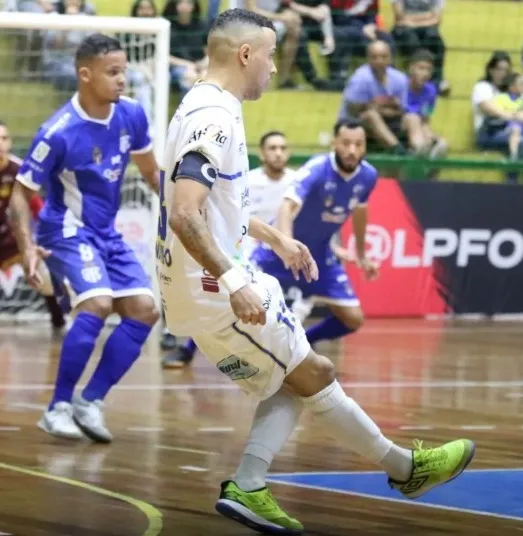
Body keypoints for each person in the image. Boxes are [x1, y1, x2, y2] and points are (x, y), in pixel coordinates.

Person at [157, 9, 475, 535]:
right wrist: (235, 282)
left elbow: (214, 204)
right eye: (271, 55)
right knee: (316, 375)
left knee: (292, 381)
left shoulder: (199, 103)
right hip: (216, 288)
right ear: (245, 55)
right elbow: (185, 212)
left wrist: (274, 237)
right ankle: (405, 469)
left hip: (197, 286)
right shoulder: (214, 115)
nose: (275, 68)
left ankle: (251, 485)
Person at [9, 34, 160, 442]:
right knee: (97, 303)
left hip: (106, 233)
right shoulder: (57, 131)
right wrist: (27, 250)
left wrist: (184, 207)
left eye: (125, 71)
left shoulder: (131, 114)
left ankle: (89, 401)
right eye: (113, 73)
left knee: (145, 309)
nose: (123, 80)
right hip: (65, 231)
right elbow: (21, 195)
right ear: (85, 74)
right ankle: (56, 407)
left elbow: (151, 174)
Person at [162, 129, 296, 368]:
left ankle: (288, 352)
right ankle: (186, 346)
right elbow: (232, 217)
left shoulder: (295, 182)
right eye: (272, 148)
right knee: (225, 293)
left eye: (282, 148)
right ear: (262, 154)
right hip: (246, 246)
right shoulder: (248, 180)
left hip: (280, 245)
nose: (278, 153)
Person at [252, 118, 379, 349]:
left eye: (359, 144)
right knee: (235, 299)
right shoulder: (318, 169)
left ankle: (303, 345)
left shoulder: (368, 176)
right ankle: (187, 349)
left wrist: (362, 254)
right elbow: (286, 207)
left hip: (319, 256)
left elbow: (360, 212)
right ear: (334, 144)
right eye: (346, 143)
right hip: (278, 253)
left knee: (353, 318)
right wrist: (286, 245)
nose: (352, 150)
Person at [0, 120, 65, 330]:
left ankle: (58, 320)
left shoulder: (18, 169)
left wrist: (52, 233)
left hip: (12, 240)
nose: (1, 144)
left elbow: (37, 206)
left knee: (44, 274)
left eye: (4, 138)